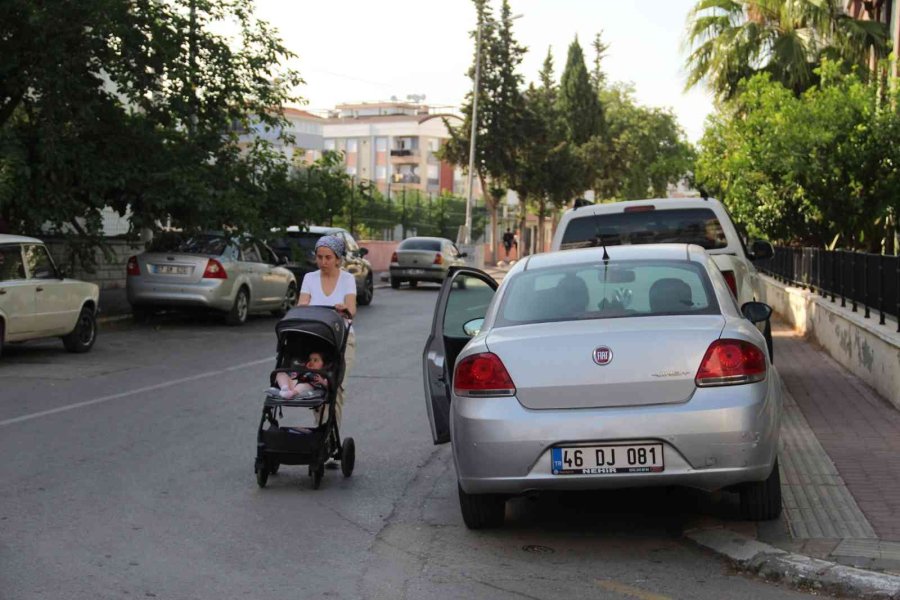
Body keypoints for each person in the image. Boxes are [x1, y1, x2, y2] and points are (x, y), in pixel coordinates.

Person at [296, 235, 357, 444]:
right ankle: (322, 433)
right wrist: (303, 307)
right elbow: (303, 302)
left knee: (336, 387)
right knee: (317, 385)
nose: (323, 262)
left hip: (341, 339)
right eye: (319, 257)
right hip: (317, 339)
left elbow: (352, 309)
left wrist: (344, 309)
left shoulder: (347, 279)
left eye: (328, 257)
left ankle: (330, 438)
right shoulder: (310, 278)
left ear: (338, 258)